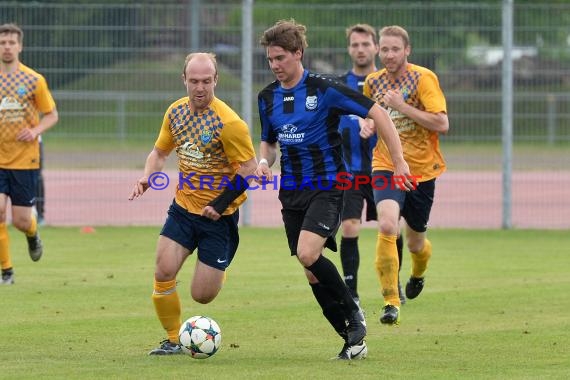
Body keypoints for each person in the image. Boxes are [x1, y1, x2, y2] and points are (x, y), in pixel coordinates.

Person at [255, 19, 412, 360]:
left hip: (327, 186)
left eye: (280, 58)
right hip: (291, 191)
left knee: (309, 253)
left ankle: (355, 312)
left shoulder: (324, 89)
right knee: (310, 271)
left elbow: (378, 114)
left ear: (298, 54)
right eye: (270, 59)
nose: (275, 65)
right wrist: (264, 162)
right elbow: (268, 142)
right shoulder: (266, 98)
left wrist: (398, 160)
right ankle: (351, 338)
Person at [128, 52, 257, 355]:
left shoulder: (229, 123)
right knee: (163, 270)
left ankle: (220, 262)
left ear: (216, 81)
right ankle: (173, 339)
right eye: (194, 81)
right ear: (184, 80)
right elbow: (160, 153)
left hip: (219, 218)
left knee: (202, 296)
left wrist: (221, 201)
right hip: (183, 209)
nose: (200, 88)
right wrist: (148, 176)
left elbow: (250, 169)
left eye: (207, 81)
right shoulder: (175, 113)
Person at [364, 25, 449, 325]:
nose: (388, 54)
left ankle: (418, 272)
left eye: (395, 49)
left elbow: (441, 123)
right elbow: (372, 117)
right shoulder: (372, 82)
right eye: (384, 49)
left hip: (421, 171)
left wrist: (402, 106)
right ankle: (391, 301)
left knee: (415, 243)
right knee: (387, 223)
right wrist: (368, 125)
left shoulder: (423, 78)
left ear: (407, 50)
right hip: (386, 165)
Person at [0, 23, 58, 285]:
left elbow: (52, 115)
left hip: (25, 160)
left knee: (22, 221)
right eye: (3, 42)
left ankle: (32, 234)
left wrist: (35, 131)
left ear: (20, 46)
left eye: (12, 42)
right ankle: (7, 272)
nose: (7, 47)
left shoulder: (34, 80)